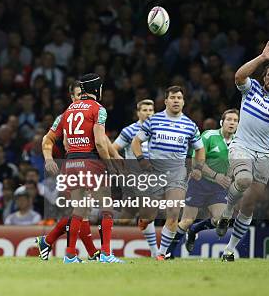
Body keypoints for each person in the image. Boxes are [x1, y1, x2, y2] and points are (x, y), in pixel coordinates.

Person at [216, 42, 269, 261]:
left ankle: (229, 250)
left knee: (250, 202)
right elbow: (238, 76)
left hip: (263, 156)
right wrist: (261, 57)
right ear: (264, 76)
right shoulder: (252, 89)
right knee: (243, 180)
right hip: (241, 146)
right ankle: (227, 211)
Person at [37, 73, 121, 263]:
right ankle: (106, 253)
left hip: (71, 162)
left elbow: (57, 138)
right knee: (106, 207)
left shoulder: (67, 111)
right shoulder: (98, 109)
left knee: (79, 210)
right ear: (97, 90)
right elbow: (100, 142)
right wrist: (109, 164)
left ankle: (69, 254)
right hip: (90, 161)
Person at [131, 85, 206, 261]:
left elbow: (200, 150)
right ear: (166, 101)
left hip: (177, 172)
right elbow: (136, 142)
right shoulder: (154, 120)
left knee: (173, 212)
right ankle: (144, 219)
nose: (176, 101)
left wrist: (198, 168)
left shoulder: (190, 125)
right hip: (154, 171)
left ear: (183, 101)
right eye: (172, 98)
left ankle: (161, 253)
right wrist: (142, 160)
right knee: (149, 214)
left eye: (179, 98)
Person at [165, 109, 239, 256]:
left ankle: (195, 230)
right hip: (199, 183)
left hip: (219, 187)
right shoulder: (209, 136)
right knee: (186, 221)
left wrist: (229, 177)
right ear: (221, 122)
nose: (232, 123)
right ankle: (168, 253)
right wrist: (216, 175)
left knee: (220, 219)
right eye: (229, 119)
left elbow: (235, 163)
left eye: (235, 120)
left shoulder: (239, 141)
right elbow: (196, 161)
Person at [112, 99, 158, 256]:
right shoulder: (129, 131)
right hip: (136, 178)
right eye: (144, 110)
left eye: (150, 110)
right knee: (148, 209)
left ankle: (106, 227)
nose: (148, 113)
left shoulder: (158, 130)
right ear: (138, 112)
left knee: (127, 217)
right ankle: (155, 252)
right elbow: (113, 149)